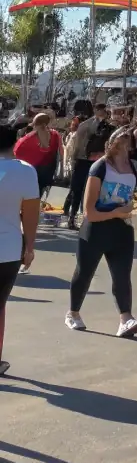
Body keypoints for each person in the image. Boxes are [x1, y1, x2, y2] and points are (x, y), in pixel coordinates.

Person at [65, 127, 137, 337]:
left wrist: (126, 208)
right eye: (120, 141)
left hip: (122, 230)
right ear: (111, 144)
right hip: (96, 230)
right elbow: (89, 211)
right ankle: (73, 313)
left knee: (122, 276)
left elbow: (126, 196)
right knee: (84, 273)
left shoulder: (132, 168)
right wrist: (117, 212)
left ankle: (125, 320)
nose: (124, 146)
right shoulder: (100, 167)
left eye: (128, 142)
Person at [0, 123, 40, 376]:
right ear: (15, 143)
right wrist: (31, 246)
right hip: (8, 247)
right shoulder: (26, 172)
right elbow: (31, 214)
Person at [14, 112, 63, 197]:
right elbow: (60, 152)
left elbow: (16, 152)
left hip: (31, 169)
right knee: (43, 191)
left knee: (32, 192)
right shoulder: (55, 134)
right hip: (48, 167)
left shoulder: (27, 138)